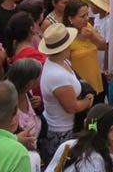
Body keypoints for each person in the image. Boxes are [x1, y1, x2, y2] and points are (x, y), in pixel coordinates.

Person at [39, 23, 95, 161]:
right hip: (61, 132)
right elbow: (71, 107)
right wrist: (88, 102)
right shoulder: (57, 75)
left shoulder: (61, 62)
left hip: (65, 126)